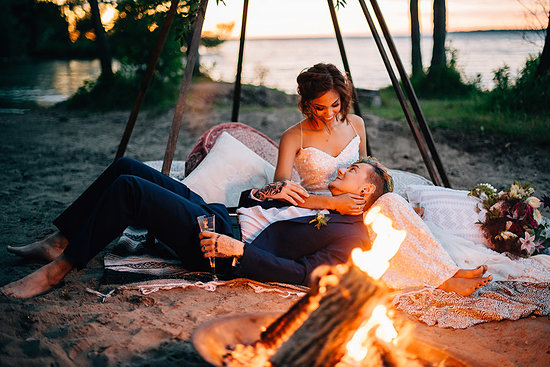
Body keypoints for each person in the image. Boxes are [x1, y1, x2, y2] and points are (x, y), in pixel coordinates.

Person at [2, 157, 491, 299]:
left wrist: (237, 251)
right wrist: (264, 194)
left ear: (365, 194)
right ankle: (60, 240)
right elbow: (246, 204)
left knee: (131, 190)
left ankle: (61, 269)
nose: (337, 173)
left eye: (349, 173)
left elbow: (302, 275)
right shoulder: (309, 196)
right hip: (219, 212)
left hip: (216, 242)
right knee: (126, 166)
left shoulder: (352, 234)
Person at [272, 63, 369, 215]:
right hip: (313, 210)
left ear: (342, 98)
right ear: (307, 104)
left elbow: (367, 171)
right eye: (320, 107)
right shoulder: (293, 137)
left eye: (335, 104)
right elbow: (281, 191)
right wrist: (334, 203)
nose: (329, 113)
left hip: (356, 206)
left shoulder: (356, 124)